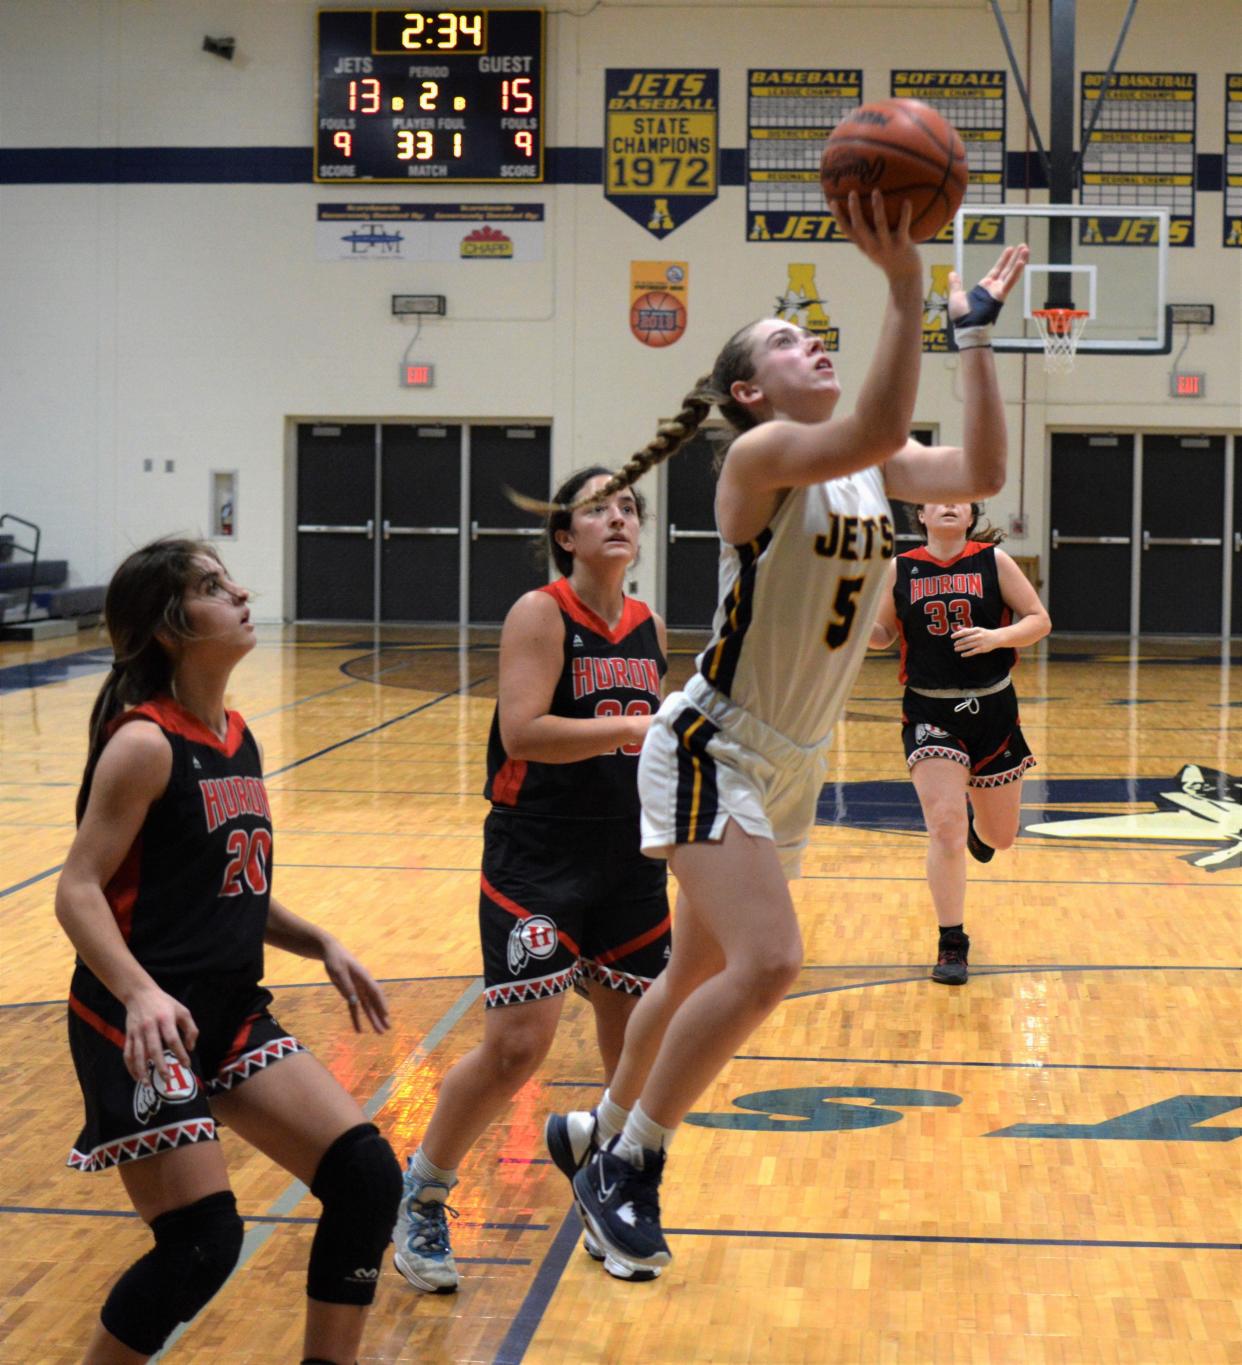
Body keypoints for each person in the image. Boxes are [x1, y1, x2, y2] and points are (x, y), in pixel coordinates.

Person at [536, 191, 1029, 1279]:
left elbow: (982, 473)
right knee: (770, 965)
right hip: (714, 742)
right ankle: (632, 1165)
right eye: (792, 341)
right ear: (751, 391)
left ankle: (594, 1127)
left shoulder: (868, 466)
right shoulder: (759, 459)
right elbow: (879, 424)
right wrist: (904, 288)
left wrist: (976, 337)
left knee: (697, 966)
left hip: (794, 758)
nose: (816, 346)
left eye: (816, 335)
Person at [56, 538, 401, 1365]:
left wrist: (317, 938)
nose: (239, 593)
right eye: (212, 588)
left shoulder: (235, 736)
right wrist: (139, 992)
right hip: (137, 1018)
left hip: (225, 1009)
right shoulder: (143, 743)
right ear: (171, 628)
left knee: (366, 1177)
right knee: (202, 1244)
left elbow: (222, 886)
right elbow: (77, 889)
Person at [392, 468, 671, 1292]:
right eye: (599, 507)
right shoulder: (541, 612)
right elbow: (523, 731)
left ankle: (610, 1197)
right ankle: (424, 1191)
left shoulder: (648, 623)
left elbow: (642, 745)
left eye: (628, 507)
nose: (618, 516)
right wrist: (635, 724)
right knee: (518, 1046)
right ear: (565, 534)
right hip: (538, 854)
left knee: (637, 1049)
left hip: (627, 856)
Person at [868, 502, 1050, 984]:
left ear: (970, 515)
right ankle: (952, 942)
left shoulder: (994, 561)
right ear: (921, 515)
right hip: (929, 709)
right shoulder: (901, 568)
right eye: (938, 498)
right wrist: (845, 621)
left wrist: (996, 637)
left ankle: (977, 826)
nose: (949, 504)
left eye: (960, 498)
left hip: (992, 707)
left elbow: (1038, 619)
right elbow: (883, 634)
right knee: (943, 826)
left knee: (1001, 838)